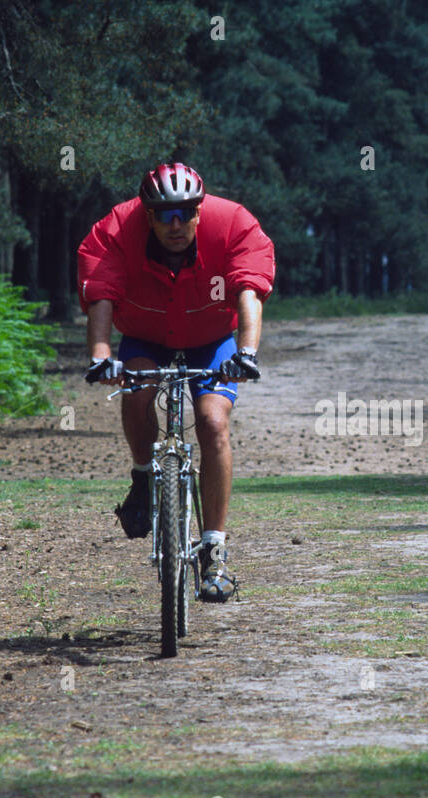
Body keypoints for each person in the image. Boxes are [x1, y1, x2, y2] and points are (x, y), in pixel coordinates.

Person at [77, 162, 274, 602]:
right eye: (164, 214)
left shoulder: (233, 224)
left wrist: (246, 353)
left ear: (200, 212)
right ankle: (145, 478)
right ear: (146, 215)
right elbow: (100, 291)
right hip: (146, 334)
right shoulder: (116, 228)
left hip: (212, 339)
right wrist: (102, 355)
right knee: (138, 391)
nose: (176, 224)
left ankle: (214, 550)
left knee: (212, 423)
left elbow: (249, 288)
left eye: (185, 212)